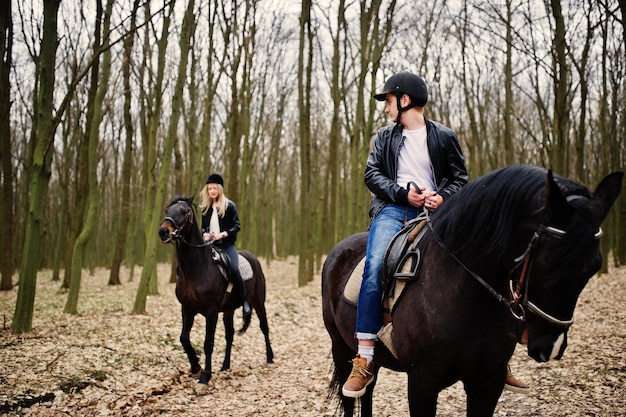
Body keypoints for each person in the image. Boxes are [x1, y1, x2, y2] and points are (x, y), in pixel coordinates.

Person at [343, 71, 527, 398]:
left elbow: (459, 178)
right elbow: (372, 175)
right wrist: (403, 194)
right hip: (393, 211)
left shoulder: (443, 136)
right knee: (373, 269)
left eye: (388, 100)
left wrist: (443, 197)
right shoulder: (384, 138)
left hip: (441, 213)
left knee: (486, 259)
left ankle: (501, 353)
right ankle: (366, 357)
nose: (385, 108)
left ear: (405, 100)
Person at [199, 173, 251, 319]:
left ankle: (245, 301)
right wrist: (205, 234)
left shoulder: (229, 206)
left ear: (219, 189)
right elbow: (203, 227)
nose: (212, 191)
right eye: (210, 189)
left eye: (214, 188)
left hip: (226, 245)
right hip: (209, 245)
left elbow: (237, 226)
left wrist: (224, 234)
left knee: (234, 268)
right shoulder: (206, 208)